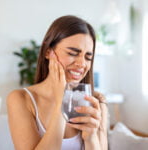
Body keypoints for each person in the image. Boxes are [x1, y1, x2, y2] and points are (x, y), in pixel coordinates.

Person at [7, 15, 108, 150]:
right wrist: (61, 102)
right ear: (48, 52)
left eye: (88, 57)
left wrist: (91, 138)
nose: (82, 64)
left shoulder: (97, 102)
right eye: (73, 53)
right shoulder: (21, 99)